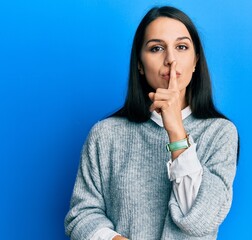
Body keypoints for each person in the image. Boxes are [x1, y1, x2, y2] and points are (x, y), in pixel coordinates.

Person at [64, 6, 239, 240]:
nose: (170, 59)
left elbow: (201, 219)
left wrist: (176, 130)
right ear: (140, 64)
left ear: (196, 61)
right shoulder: (105, 134)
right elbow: (81, 215)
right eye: (157, 48)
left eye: (181, 47)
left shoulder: (220, 133)